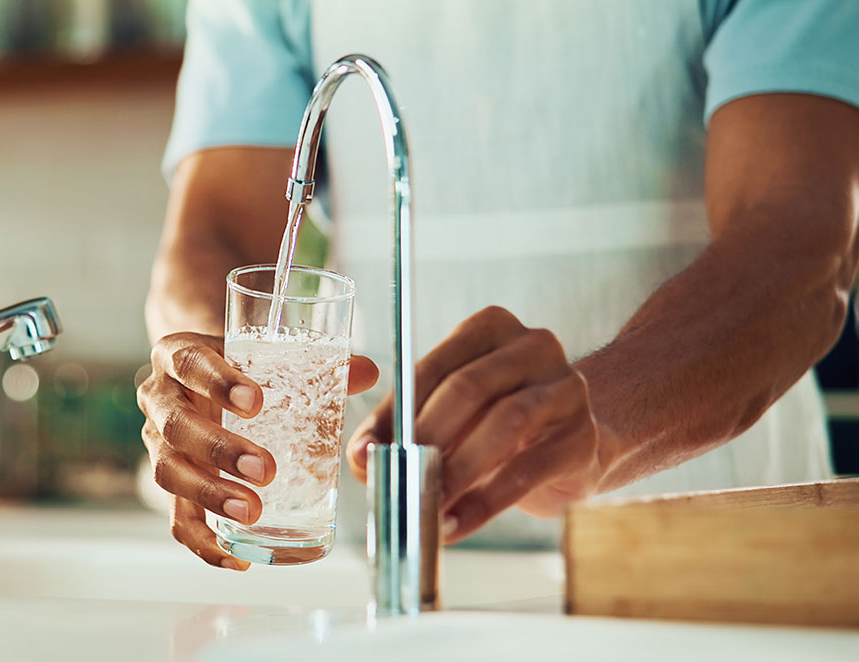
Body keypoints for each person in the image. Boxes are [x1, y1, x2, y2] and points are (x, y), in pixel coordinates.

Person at [137, 0, 859, 570]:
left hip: (707, 546)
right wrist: (213, 387)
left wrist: (599, 423)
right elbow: (214, 235)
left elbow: (800, 241)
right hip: (387, 549)